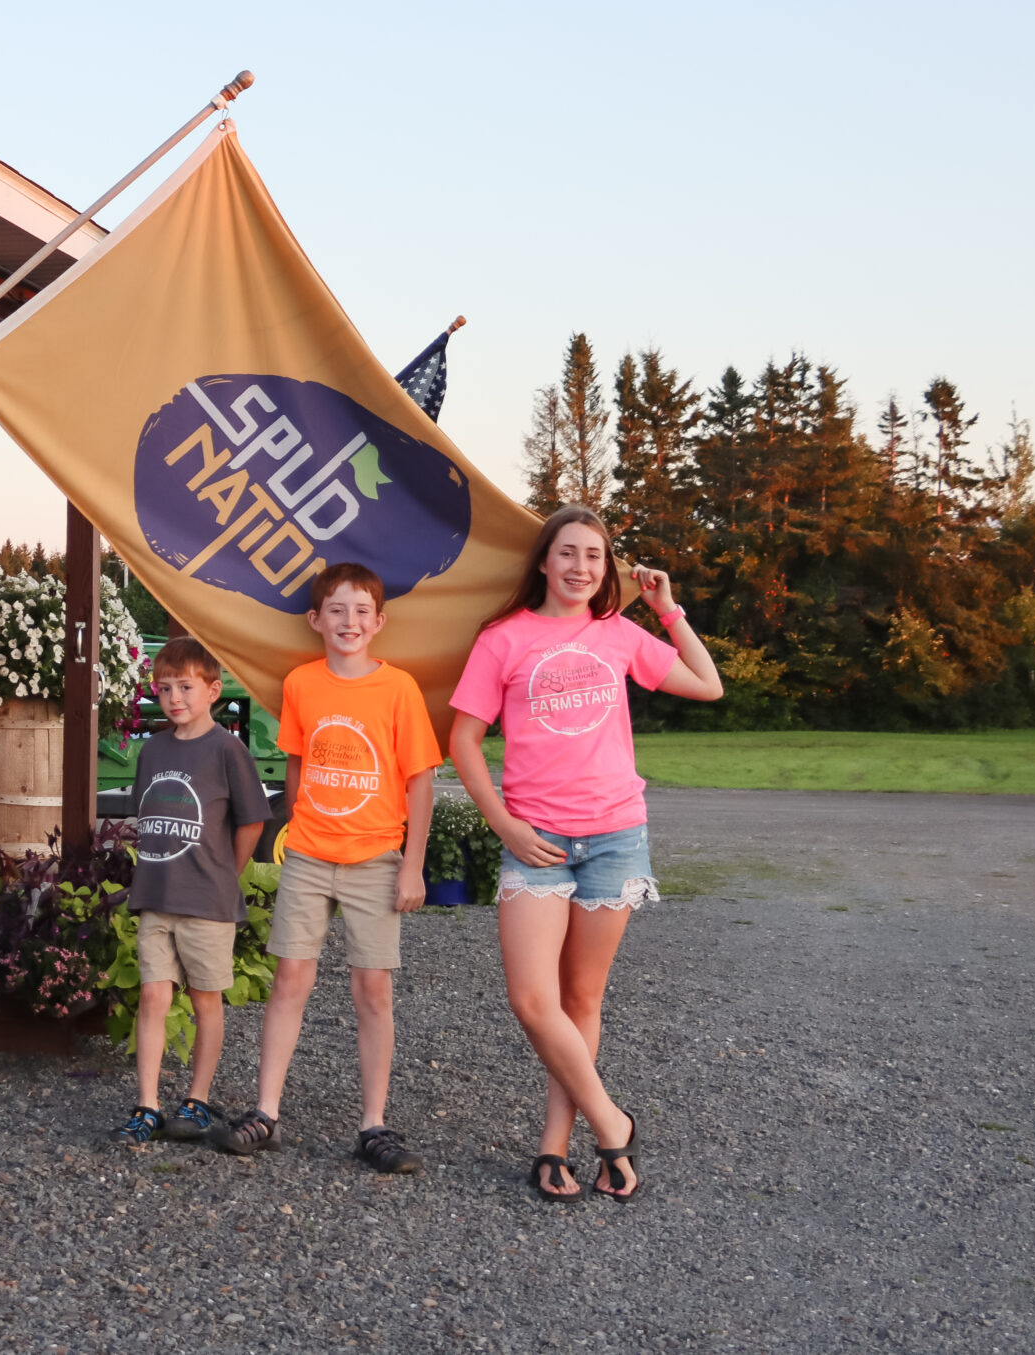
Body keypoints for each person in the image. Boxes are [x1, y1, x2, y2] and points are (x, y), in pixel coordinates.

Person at [448, 505, 724, 1204]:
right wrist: (502, 824)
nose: (580, 567)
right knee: (532, 998)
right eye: (568, 553)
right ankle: (613, 1121)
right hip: (536, 841)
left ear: (607, 570)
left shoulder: (618, 633)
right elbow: (462, 739)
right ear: (543, 561)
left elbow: (707, 683)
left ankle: (554, 1146)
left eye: (595, 557)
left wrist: (669, 610)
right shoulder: (503, 639)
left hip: (615, 836)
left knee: (580, 998)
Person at [219, 563, 441, 1170]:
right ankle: (267, 1111)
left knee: (372, 989)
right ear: (316, 620)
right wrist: (296, 826)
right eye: (337, 611)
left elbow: (421, 781)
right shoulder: (301, 684)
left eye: (362, 611)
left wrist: (412, 865)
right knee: (291, 978)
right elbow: (296, 765)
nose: (350, 622)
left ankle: (373, 1124)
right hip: (311, 854)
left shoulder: (397, 689)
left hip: (376, 858)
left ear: (380, 622)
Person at [115, 636, 270, 1147]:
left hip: (206, 902)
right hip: (156, 895)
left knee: (206, 1000)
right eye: (164, 688)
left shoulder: (228, 750)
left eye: (185, 687)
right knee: (154, 996)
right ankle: (147, 1104)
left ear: (212, 690)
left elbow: (250, 822)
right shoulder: (154, 749)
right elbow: (148, 814)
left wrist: (228, 871)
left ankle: (198, 1101)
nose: (174, 697)